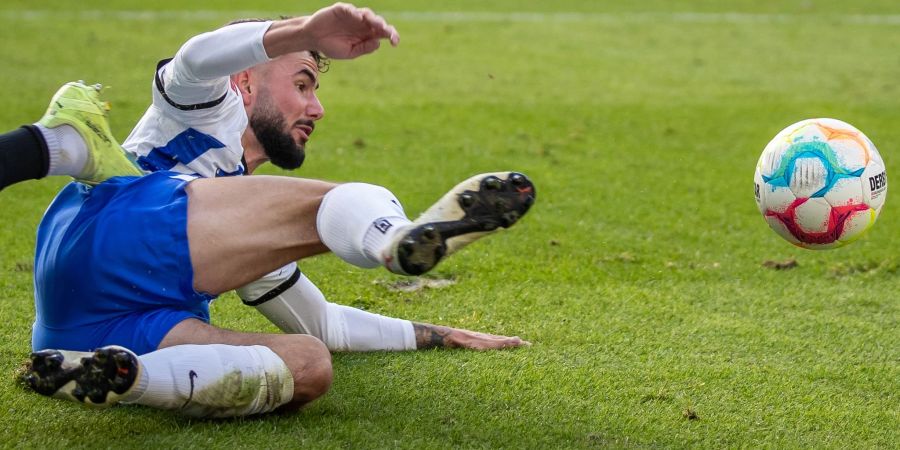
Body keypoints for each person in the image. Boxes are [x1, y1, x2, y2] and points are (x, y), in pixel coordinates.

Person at [20, 3, 536, 418]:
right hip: (112, 227)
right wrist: (301, 31)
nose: (316, 108)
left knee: (308, 364)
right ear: (243, 82)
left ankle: (124, 379)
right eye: (303, 83)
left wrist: (438, 336)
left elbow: (322, 324)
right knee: (337, 201)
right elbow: (197, 57)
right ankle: (395, 238)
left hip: (81, 328)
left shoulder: (243, 221)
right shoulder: (205, 108)